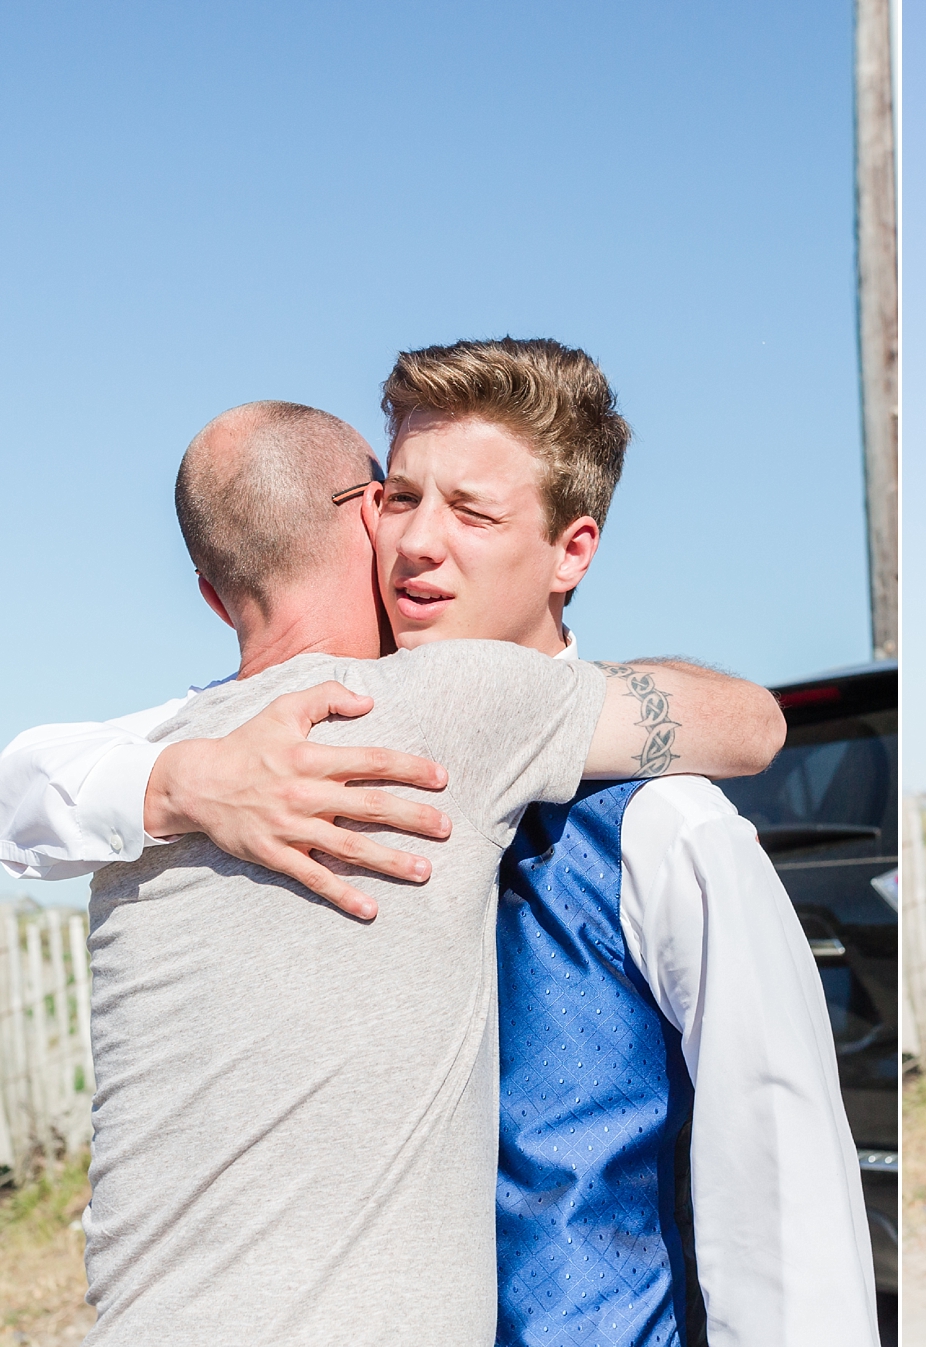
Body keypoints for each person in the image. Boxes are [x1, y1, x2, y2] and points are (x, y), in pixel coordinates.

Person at [4, 341, 879, 1346]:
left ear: (573, 552)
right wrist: (176, 783)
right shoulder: (262, 750)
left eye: (470, 512)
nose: (420, 543)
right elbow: (38, 776)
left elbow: (780, 1185)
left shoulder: (662, 828)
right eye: (399, 499)